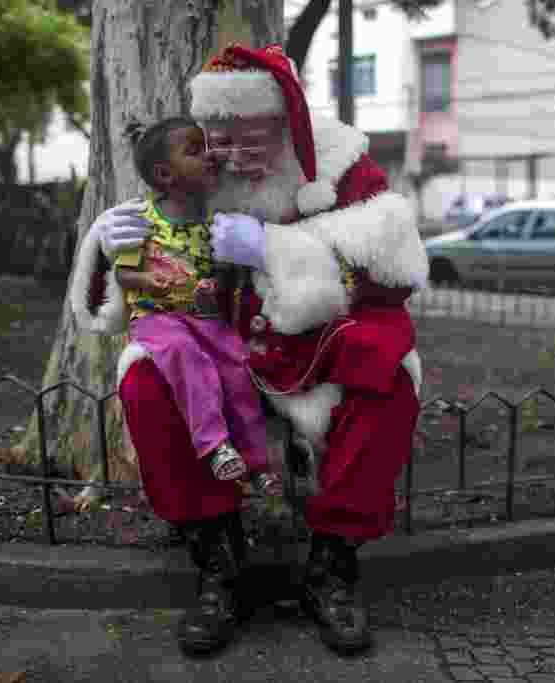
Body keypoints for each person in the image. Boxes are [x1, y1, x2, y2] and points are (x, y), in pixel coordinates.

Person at [72, 43, 428, 657]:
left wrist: (272, 249)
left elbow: (395, 273)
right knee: (146, 384)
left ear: (283, 122)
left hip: (317, 346)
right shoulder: (196, 164)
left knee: (389, 378)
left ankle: (331, 568)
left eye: (244, 138)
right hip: (216, 346)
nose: (227, 155)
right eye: (216, 137)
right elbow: (135, 266)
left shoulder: (342, 164)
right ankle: (218, 564)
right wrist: (105, 242)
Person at [107, 116, 277, 496]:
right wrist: (149, 279)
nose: (209, 157)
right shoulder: (142, 218)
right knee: (187, 355)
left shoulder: (212, 220)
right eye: (195, 151)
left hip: (204, 317)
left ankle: (256, 462)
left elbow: (221, 272)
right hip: (157, 319)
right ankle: (215, 445)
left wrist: (214, 286)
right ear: (165, 175)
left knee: (236, 364)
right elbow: (123, 274)